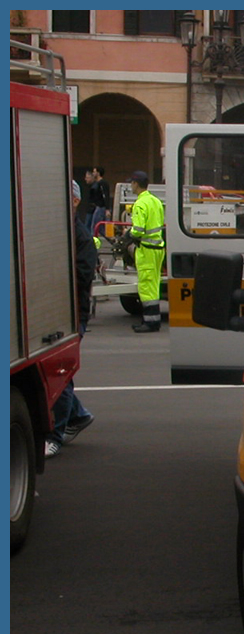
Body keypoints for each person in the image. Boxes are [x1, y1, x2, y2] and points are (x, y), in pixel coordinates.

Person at [47, 181, 96, 458]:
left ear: (75, 201)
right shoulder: (59, 232)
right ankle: (78, 414)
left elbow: (82, 275)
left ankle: (55, 435)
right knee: (55, 374)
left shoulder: (80, 236)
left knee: (60, 376)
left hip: (71, 314)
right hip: (56, 314)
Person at [126, 170, 165, 332]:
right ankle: (154, 320)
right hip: (158, 249)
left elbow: (138, 230)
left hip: (146, 250)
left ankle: (150, 323)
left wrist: (129, 235)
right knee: (154, 285)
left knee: (146, 286)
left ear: (136, 184)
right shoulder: (155, 201)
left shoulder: (140, 204)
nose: (131, 186)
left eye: (132, 183)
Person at [89, 165, 111, 234]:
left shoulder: (102, 183)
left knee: (95, 226)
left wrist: (107, 209)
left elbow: (105, 195)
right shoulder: (96, 183)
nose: (93, 173)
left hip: (101, 207)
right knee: (101, 229)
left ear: (98, 173)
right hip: (98, 206)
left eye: (94, 172)